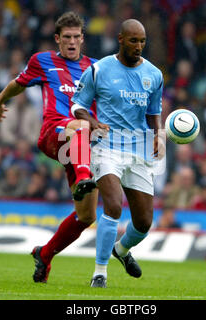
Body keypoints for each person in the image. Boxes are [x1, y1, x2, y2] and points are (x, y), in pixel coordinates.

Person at [0, 12, 106, 283]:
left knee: (86, 216)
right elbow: (18, 84)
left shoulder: (96, 68)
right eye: (66, 37)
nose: (71, 42)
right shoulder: (42, 61)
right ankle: (83, 178)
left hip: (82, 147)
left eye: (75, 37)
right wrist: (0, 99)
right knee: (79, 127)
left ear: (82, 39)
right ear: (57, 39)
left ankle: (44, 255)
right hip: (53, 133)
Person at [71, 19, 164, 288]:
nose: (139, 46)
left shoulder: (154, 75)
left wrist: (157, 135)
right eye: (133, 40)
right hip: (106, 145)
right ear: (121, 39)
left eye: (142, 41)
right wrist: (93, 122)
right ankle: (100, 273)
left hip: (138, 149)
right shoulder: (99, 70)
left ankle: (120, 251)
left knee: (144, 222)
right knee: (113, 205)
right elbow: (78, 106)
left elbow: (153, 112)